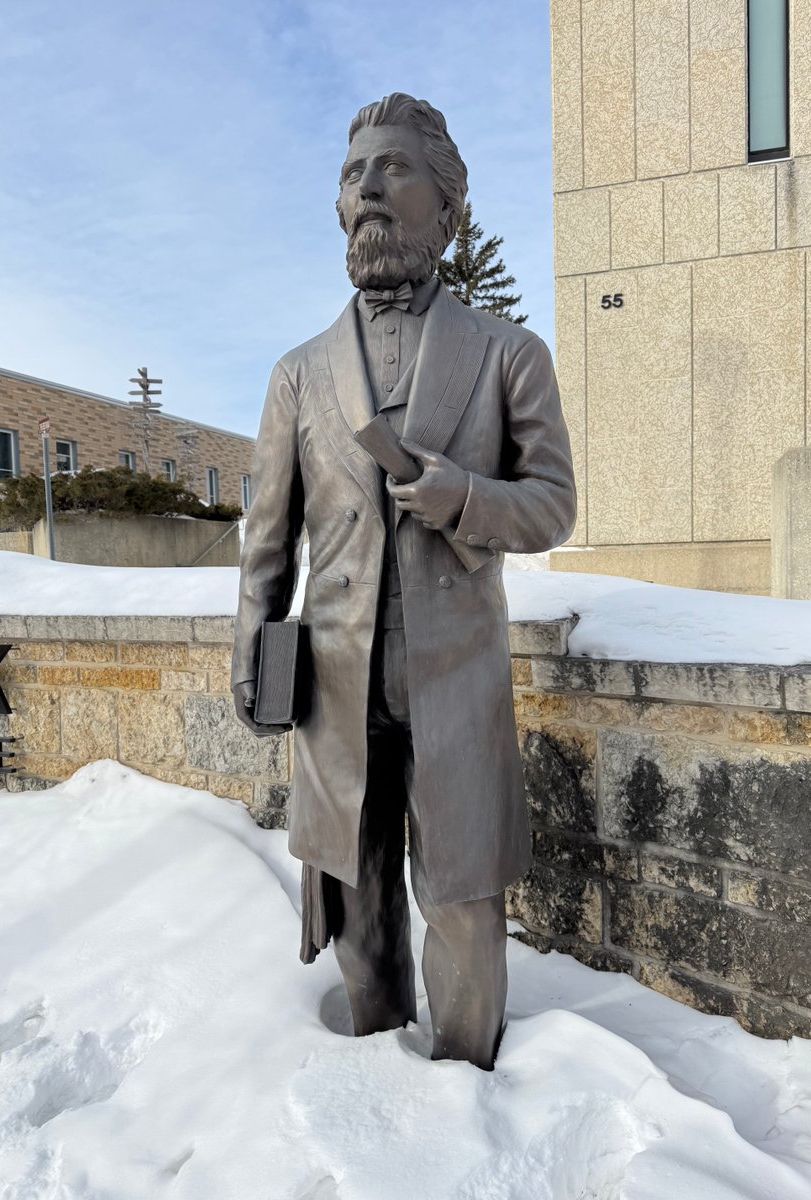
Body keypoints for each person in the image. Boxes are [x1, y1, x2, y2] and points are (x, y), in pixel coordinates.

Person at [232, 93, 575, 1070]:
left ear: (447, 207)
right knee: (355, 889)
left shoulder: (511, 355)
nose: (369, 187)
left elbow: (550, 504)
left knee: (463, 898)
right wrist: (251, 649)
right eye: (354, 175)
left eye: (394, 169)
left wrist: (461, 493)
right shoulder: (298, 375)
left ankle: (467, 1085)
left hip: (456, 677)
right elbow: (268, 535)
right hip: (335, 687)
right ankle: (374, 1063)